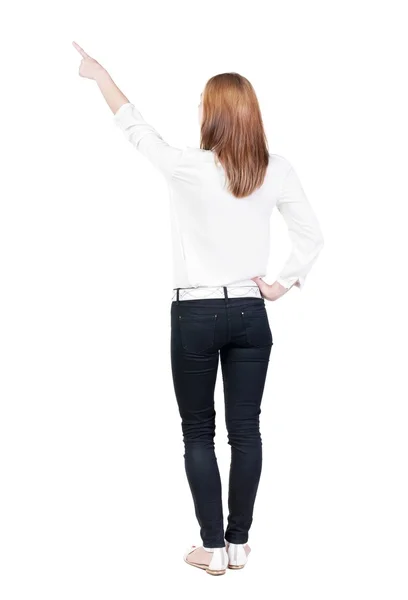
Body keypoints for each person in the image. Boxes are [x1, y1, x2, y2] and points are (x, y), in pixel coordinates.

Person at [73, 41, 325, 576]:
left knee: (197, 432)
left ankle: (210, 548)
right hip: (251, 315)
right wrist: (283, 284)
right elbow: (311, 235)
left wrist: (100, 76)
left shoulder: (187, 166)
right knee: (247, 431)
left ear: (212, 114)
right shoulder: (275, 169)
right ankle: (238, 544)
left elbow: (134, 126)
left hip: (195, 315)